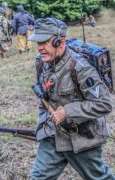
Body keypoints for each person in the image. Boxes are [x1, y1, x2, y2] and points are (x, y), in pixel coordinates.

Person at [29, 17, 115, 180]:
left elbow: (104, 104)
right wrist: (43, 124)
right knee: (38, 177)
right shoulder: (42, 62)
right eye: (37, 43)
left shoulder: (81, 69)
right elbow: (45, 95)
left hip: (82, 139)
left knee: (99, 178)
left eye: (44, 42)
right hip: (53, 135)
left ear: (59, 42)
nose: (39, 48)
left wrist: (67, 112)